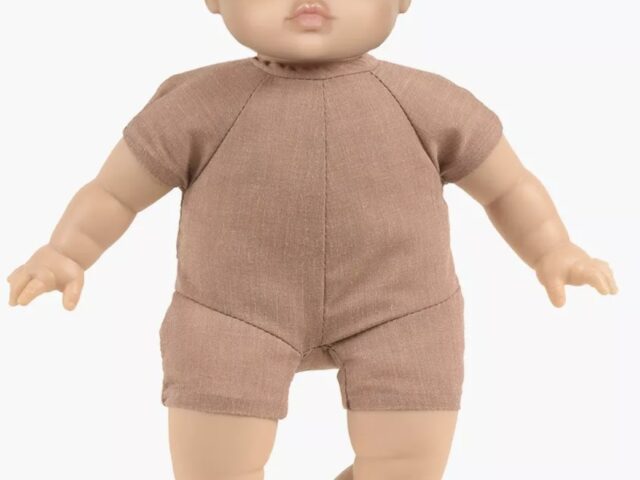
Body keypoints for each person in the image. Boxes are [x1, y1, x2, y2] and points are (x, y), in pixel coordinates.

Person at [6, 1, 618, 479]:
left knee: (409, 455)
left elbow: (507, 186)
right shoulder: (198, 105)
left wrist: (552, 248)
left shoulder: (429, 102)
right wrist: (66, 251)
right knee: (214, 458)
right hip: (230, 309)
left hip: (402, 307)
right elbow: (115, 192)